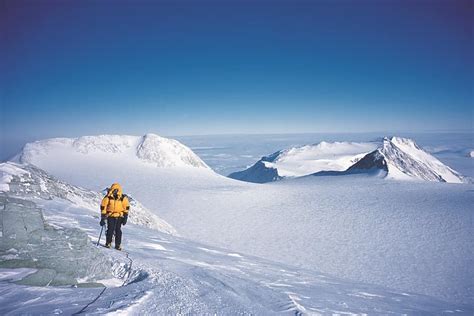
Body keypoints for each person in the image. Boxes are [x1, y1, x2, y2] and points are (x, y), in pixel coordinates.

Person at [100, 183, 130, 250]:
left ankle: (118, 244)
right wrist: (103, 217)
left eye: (117, 190)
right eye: (114, 190)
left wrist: (125, 217)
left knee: (118, 231)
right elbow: (103, 207)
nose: (115, 191)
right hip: (110, 216)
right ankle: (108, 242)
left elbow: (126, 207)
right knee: (110, 230)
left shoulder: (123, 198)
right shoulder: (108, 197)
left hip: (119, 216)